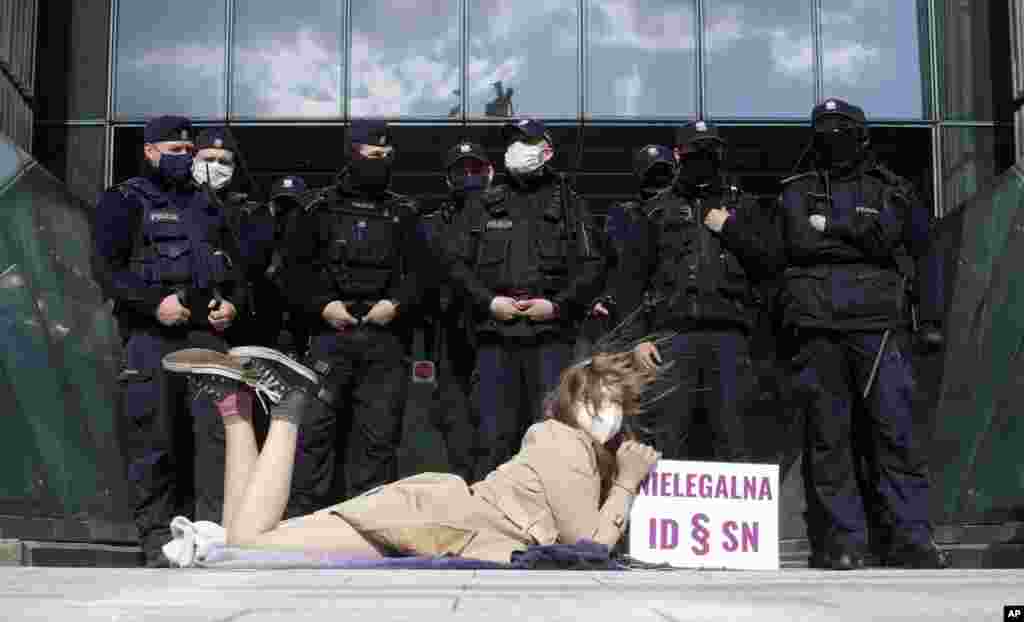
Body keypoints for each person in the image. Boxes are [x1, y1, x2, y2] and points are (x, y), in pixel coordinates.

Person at [158, 344, 661, 562]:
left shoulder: (565, 442)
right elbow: (586, 548)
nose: (606, 412)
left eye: (617, 403)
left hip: (435, 517)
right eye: (596, 399)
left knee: (242, 543)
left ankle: (235, 407)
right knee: (249, 545)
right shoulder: (567, 443)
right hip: (441, 522)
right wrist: (626, 482)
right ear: (573, 401)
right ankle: (289, 405)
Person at [777, 98, 949, 570]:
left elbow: (925, 252)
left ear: (861, 133)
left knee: (895, 433)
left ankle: (911, 538)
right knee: (829, 439)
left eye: (842, 129)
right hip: (816, 326)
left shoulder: (893, 189)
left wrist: (931, 321)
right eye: (824, 129)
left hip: (878, 326)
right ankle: (844, 542)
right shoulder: (795, 190)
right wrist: (862, 231)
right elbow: (796, 244)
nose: (831, 137)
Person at [91, 115, 246, 566]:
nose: (183, 159)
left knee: (213, 441)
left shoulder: (209, 205)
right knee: (155, 440)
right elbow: (106, 270)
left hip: (207, 339)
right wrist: (151, 304)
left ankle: (209, 541)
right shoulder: (123, 201)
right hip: (151, 337)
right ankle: (159, 544)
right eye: (174, 151)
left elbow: (236, 269)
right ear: (150, 152)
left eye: (187, 151)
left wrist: (233, 304)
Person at [598, 123, 780, 463]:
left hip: (731, 339)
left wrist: (731, 229)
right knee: (666, 437)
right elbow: (630, 282)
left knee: (733, 437)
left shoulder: (745, 207)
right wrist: (637, 340)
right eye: (696, 152)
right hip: (669, 339)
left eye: (711, 152)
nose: (704, 159)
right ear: (680, 155)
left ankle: (733, 516)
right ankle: (662, 516)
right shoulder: (654, 211)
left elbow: (771, 266)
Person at [440, 119, 607, 482]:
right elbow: (454, 264)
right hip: (494, 341)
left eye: (525, 140)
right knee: (491, 440)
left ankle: (548, 524)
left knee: (552, 438)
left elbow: (594, 265)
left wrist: (558, 305)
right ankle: (487, 525)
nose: (516, 147)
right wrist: (487, 302)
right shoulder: (484, 203)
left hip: (550, 341)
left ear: (546, 149)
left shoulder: (570, 203)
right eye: (512, 141)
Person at [277, 119, 424, 501]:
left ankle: (366, 532)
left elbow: (425, 274)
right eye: (373, 155)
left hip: (384, 343)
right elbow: (289, 273)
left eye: (388, 155)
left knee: (378, 441)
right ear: (351, 153)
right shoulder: (315, 209)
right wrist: (322, 306)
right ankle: (304, 530)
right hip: (328, 340)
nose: (381, 161)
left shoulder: (404, 212)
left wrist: (396, 304)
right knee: (313, 438)